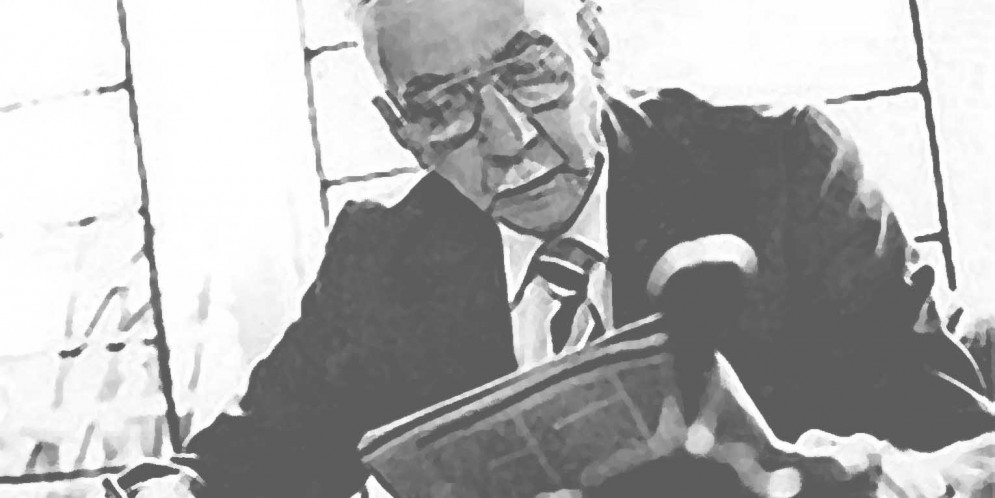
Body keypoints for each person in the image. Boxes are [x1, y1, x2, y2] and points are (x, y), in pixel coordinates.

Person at [107, 0, 995, 496]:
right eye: (441, 106)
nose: (507, 139)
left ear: (594, 38)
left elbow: (966, 447)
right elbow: (243, 468)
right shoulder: (382, 261)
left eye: (530, 70)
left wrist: (881, 479)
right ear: (398, 129)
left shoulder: (778, 171)